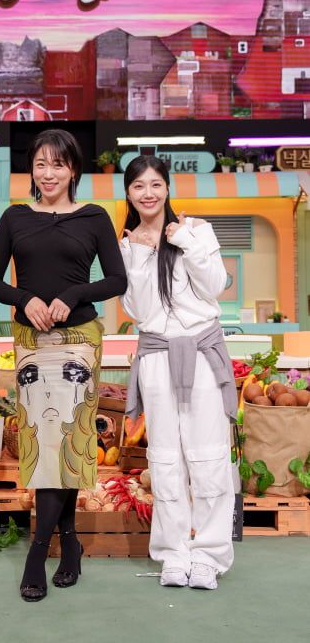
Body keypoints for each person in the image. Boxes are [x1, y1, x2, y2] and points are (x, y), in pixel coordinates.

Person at [0, 128, 126, 601]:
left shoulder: (94, 216)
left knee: (70, 439)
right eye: (40, 164)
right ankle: (69, 543)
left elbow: (117, 280)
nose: (48, 173)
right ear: (31, 169)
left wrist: (74, 294)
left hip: (79, 342)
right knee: (43, 442)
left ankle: (37, 551)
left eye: (58, 164)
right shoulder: (15, 217)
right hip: (31, 341)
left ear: (73, 170)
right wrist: (25, 299)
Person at [119, 155, 237, 590]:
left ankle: (209, 555)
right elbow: (138, 310)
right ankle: (173, 553)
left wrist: (184, 240)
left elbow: (215, 285)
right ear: (128, 193)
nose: (148, 193)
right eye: (138, 186)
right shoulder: (127, 244)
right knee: (165, 459)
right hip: (156, 357)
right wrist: (139, 253)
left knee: (208, 455)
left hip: (202, 355)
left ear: (167, 187)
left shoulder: (197, 229)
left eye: (155, 184)